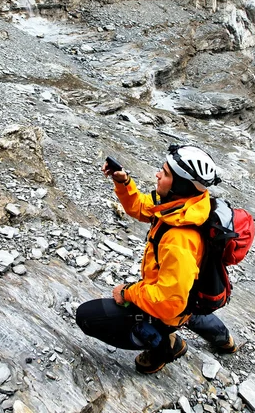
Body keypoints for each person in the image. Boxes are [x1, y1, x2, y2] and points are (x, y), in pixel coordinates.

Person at [76, 144, 237, 374]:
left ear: (180, 185)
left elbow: (169, 303)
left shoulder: (178, 239)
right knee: (193, 312)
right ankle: (225, 340)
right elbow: (141, 207)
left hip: (175, 302)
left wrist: (127, 292)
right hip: (188, 291)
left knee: (87, 317)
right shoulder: (184, 205)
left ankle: (167, 347)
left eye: (166, 173)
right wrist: (123, 182)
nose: (158, 174)